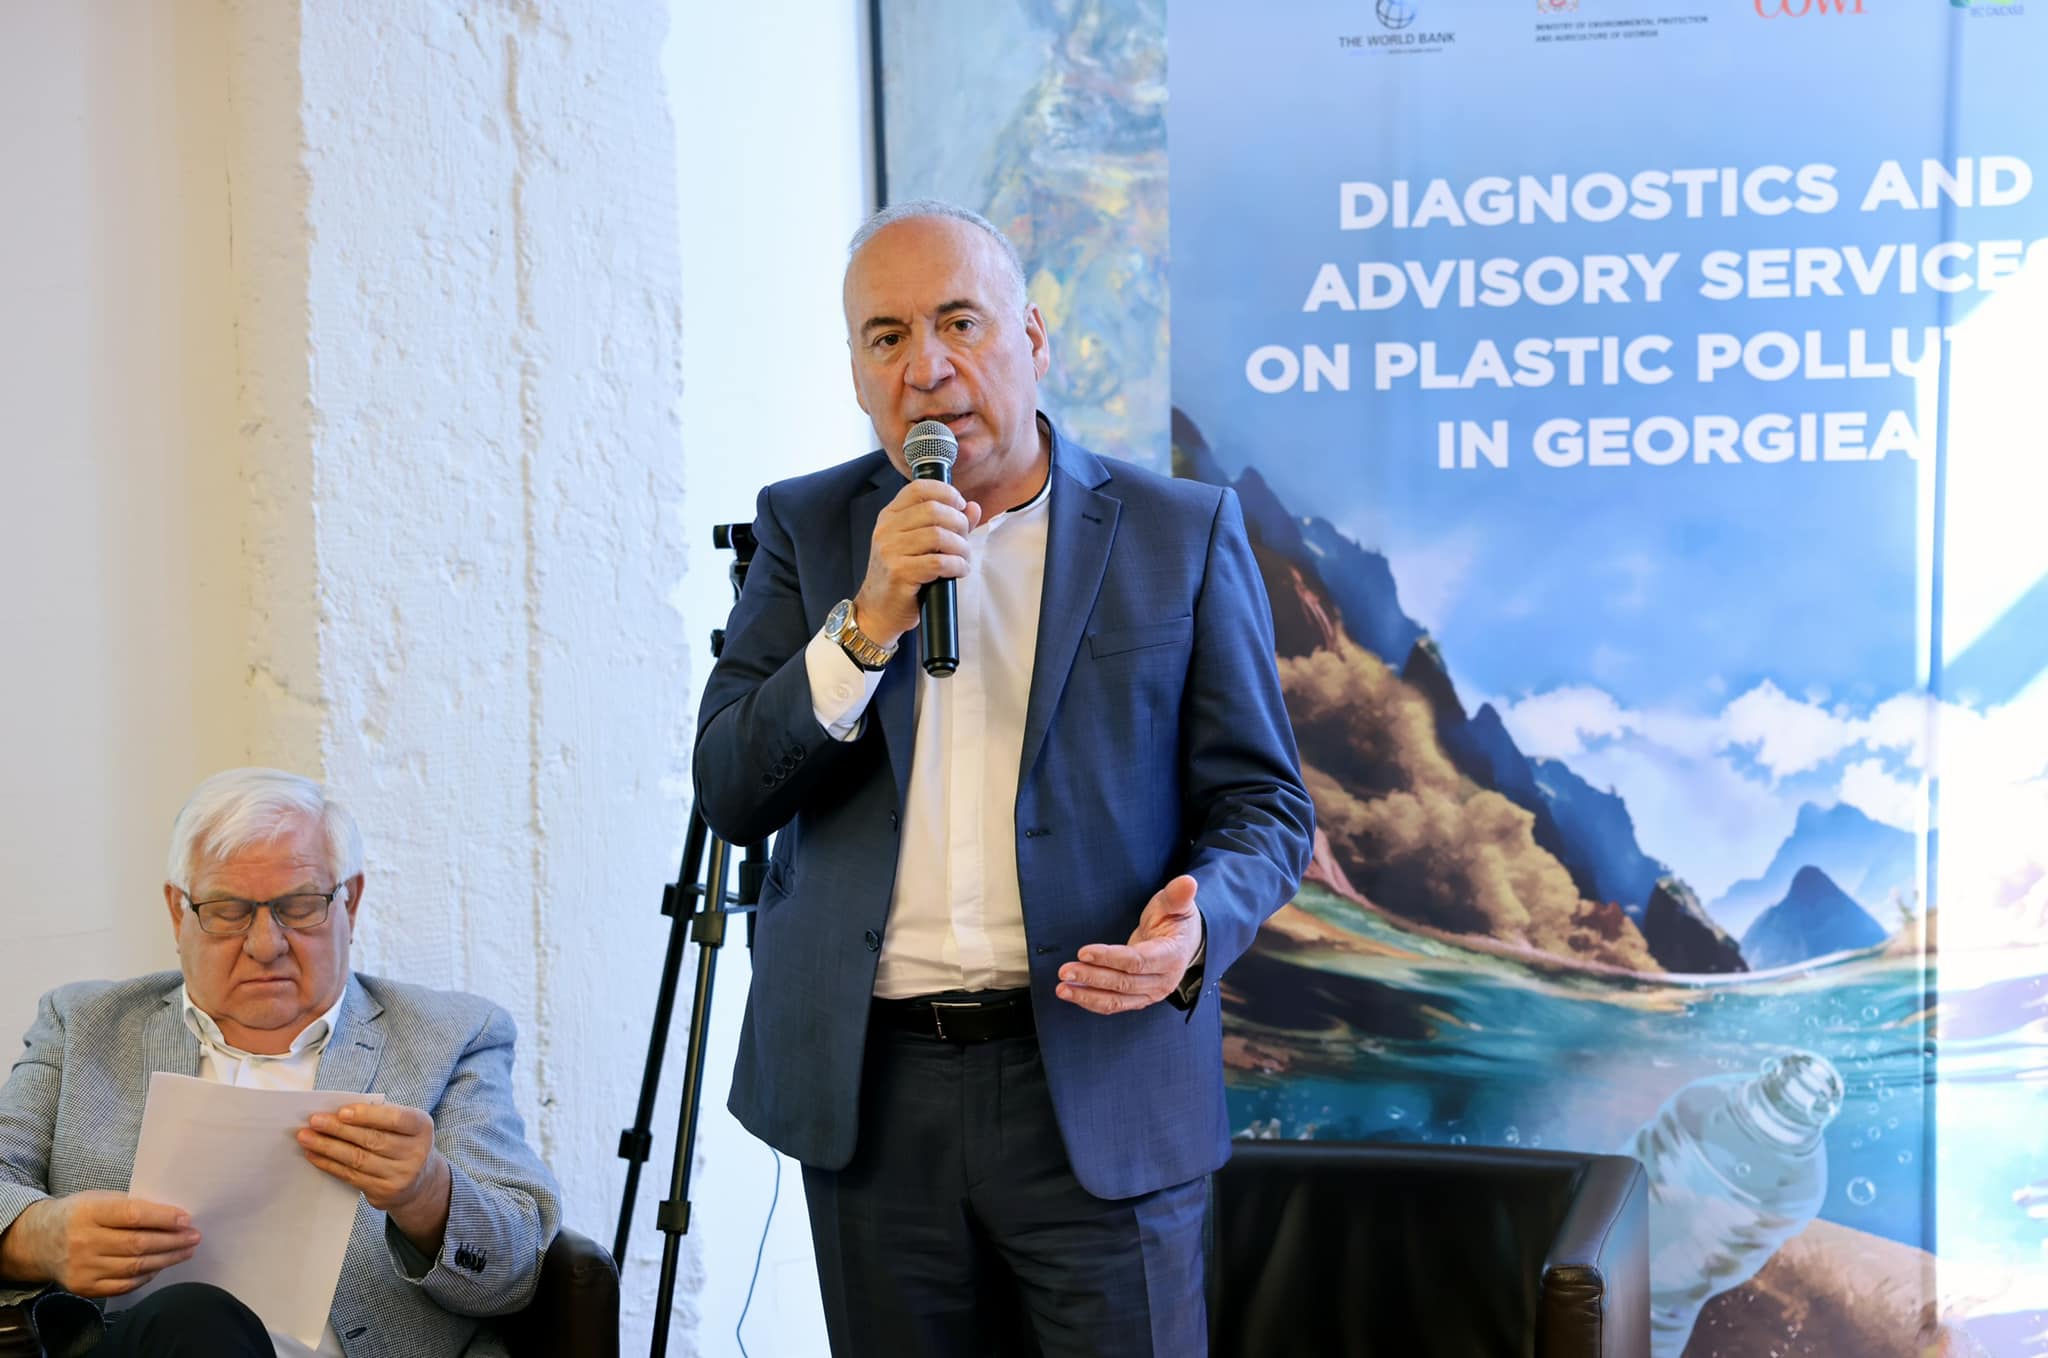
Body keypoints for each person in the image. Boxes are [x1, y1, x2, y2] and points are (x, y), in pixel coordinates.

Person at [694, 200, 1314, 1355]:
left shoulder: (1175, 531)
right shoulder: (808, 529)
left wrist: (1200, 924)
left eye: (958, 322)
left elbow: (1264, 803)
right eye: (885, 336)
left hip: (1097, 1075)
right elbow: (732, 789)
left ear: (1032, 338)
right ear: (855, 371)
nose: (924, 367)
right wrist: (865, 623)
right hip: (872, 1096)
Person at [0, 768, 560, 1357]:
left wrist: (426, 1194)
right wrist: (41, 1237)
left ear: (351, 903)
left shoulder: (451, 1036)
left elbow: (520, 1270)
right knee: (190, 1318)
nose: (265, 945)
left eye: (299, 906)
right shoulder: (83, 1023)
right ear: (178, 913)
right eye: (227, 910)